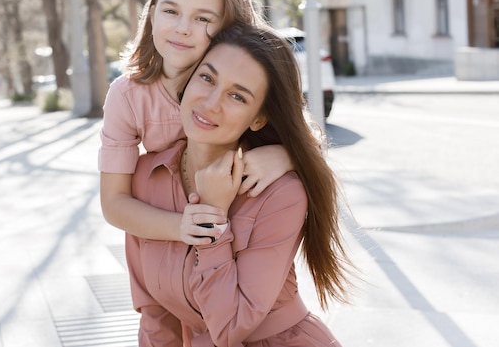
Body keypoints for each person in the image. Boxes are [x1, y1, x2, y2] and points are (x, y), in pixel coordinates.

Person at [125, 24, 354, 347]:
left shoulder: (279, 193)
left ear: (258, 118)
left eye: (237, 95)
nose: (211, 102)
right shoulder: (147, 176)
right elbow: (155, 312)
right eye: (206, 78)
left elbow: (231, 327)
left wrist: (212, 216)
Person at [99, 0, 294, 245]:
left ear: (229, 29)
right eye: (170, 11)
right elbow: (114, 202)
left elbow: (307, 138)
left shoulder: (246, 84)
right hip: (171, 234)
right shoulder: (128, 96)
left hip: (242, 228)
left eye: (203, 18)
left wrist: (286, 155)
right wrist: (182, 226)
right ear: (151, 15)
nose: (183, 28)